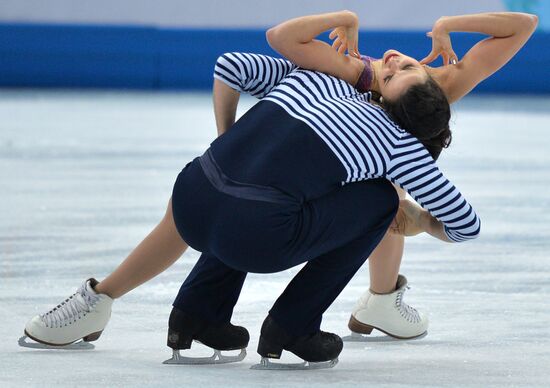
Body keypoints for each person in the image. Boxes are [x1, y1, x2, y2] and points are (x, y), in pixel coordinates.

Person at [21, 11, 483, 369]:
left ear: (390, 96)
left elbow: (230, 65)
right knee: (381, 199)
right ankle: (292, 328)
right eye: (402, 63)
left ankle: (195, 316)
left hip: (192, 195)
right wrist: (417, 219)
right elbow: (465, 226)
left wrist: (225, 142)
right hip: (253, 236)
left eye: (399, 71)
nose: (395, 59)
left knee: (261, 190)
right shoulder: (403, 148)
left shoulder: (319, 76)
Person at [257, 10, 538, 340]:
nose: (394, 61)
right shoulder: (356, 73)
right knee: (385, 200)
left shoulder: (439, 84)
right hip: (313, 176)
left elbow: (525, 24)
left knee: (389, 198)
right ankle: (380, 298)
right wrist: (345, 17)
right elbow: (280, 38)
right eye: (394, 74)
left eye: (406, 67)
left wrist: (446, 24)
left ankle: (381, 297)